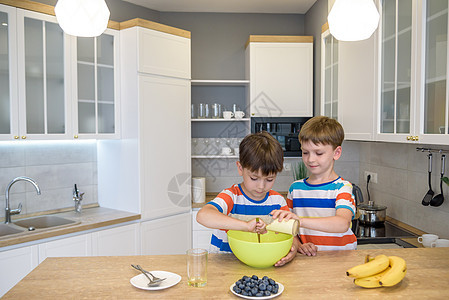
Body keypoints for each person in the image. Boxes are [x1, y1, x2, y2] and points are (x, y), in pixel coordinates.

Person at [196, 131, 300, 266]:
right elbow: (203, 216)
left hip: (262, 264)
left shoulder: (278, 201)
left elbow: (291, 236)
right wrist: (245, 226)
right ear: (240, 168)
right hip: (225, 264)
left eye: (269, 179)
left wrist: (294, 249)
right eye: (254, 178)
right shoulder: (231, 197)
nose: (261, 186)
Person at [271, 116, 357, 256]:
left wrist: (300, 221)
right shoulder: (295, 189)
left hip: (342, 260)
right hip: (308, 260)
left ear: (337, 153)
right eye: (305, 152)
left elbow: (342, 224)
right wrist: (299, 245)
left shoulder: (342, 188)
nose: (310, 159)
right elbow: (289, 228)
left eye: (318, 153)